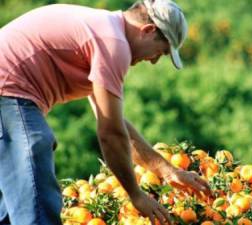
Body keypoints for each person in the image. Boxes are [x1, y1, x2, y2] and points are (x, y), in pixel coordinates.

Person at [0, 0, 211, 224]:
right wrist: (136, 195)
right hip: (8, 89)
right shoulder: (113, 43)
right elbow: (110, 134)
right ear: (148, 31)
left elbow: (115, 124)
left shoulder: (104, 29)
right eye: (161, 51)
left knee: (14, 205)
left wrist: (167, 170)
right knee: (35, 177)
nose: (154, 61)